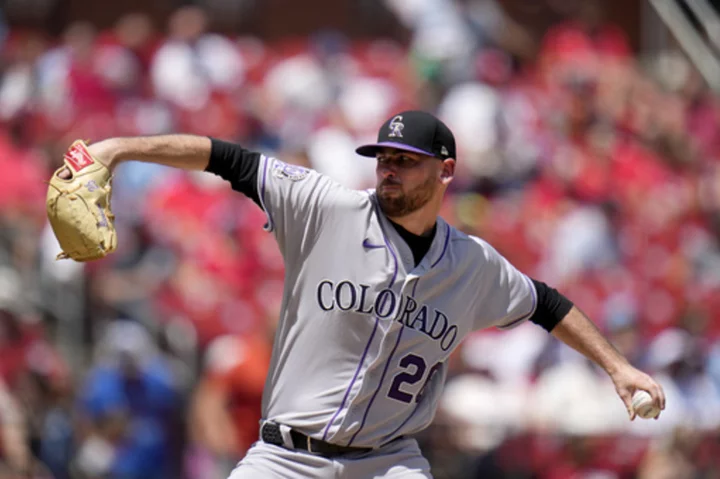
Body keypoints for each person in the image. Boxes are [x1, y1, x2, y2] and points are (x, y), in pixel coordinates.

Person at [57, 110, 666, 478]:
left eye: (406, 160)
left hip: (387, 462)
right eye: (383, 158)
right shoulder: (326, 208)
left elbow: (547, 304)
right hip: (286, 456)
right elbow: (227, 158)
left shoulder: (474, 265)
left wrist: (618, 367)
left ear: (445, 171)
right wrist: (117, 148)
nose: (389, 169)